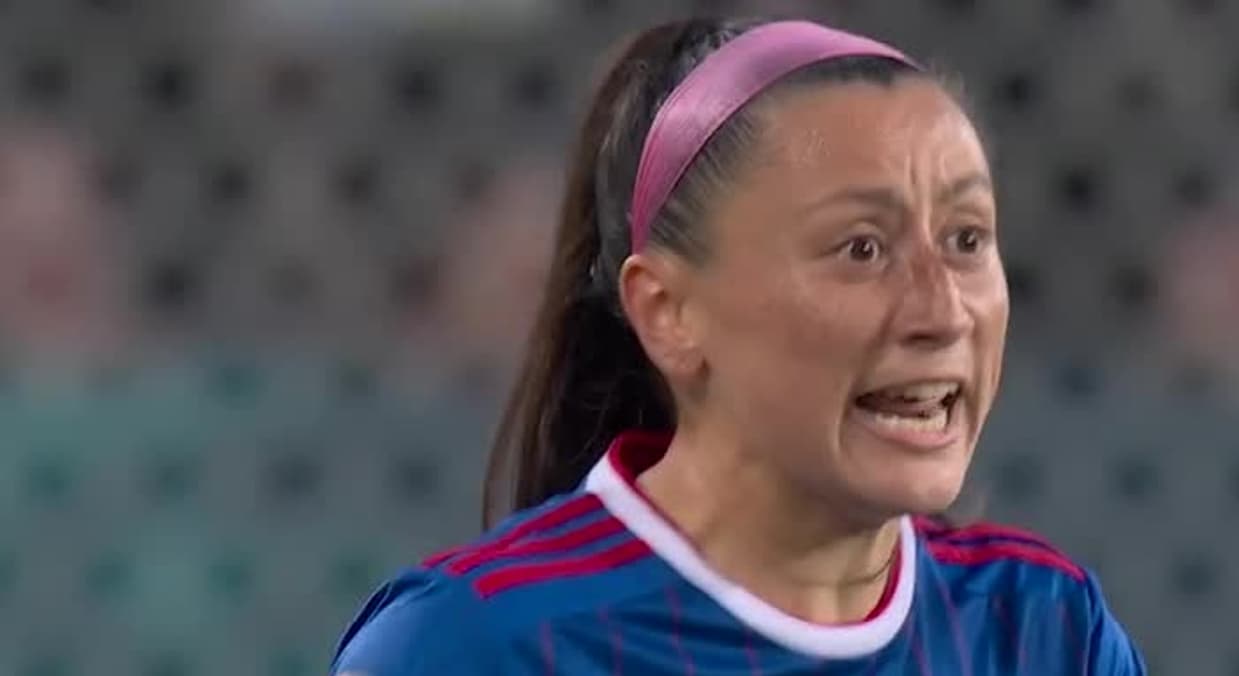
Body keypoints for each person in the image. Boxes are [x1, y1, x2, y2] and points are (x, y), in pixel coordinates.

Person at [332, 17, 1148, 674]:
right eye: (862, 249)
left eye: (967, 239)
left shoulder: (1045, 627)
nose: (943, 312)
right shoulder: (466, 647)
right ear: (669, 313)